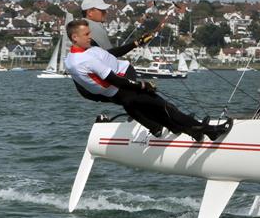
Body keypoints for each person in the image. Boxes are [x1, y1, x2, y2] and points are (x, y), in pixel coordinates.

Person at [64, 18, 231, 142]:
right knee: (166, 108)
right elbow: (115, 81)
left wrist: (135, 43)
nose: (89, 37)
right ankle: (210, 131)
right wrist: (142, 85)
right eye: (86, 34)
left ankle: (187, 130)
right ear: (74, 38)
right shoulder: (85, 60)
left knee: (155, 111)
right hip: (124, 89)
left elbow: (108, 57)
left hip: (121, 90)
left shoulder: (73, 58)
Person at [80, 0, 153, 56]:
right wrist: (137, 43)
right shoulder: (93, 27)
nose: (105, 12)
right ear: (90, 12)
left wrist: (137, 43)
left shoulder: (80, 26)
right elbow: (111, 54)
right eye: (102, 10)